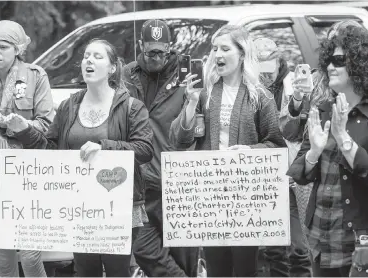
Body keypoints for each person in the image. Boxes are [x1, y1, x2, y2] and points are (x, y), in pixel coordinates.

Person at [5, 39, 154, 277]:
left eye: (97, 56)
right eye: (86, 56)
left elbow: (145, 149)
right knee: (85, 270)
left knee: (117, 270)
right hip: (79, 207)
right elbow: (50, 149)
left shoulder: (131, 107)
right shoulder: (68, 106)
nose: (89, 61)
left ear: (113, 67)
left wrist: (104, 146)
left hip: (117, 205)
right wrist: (24, 130)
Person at [169, 25, 286, 277]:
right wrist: (190, 103)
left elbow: (276, 146)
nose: (217, 55)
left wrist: (249, 150)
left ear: (242, 54)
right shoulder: (205, 94)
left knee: (245, 269)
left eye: (225, 49)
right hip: (212, 199)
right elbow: (179, 140)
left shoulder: (260, 97)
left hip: (245, 199)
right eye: (214, 49)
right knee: (216, 269)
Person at [287, 25, 368, 277]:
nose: (331, 67)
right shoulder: (323, 110)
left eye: (339, 60)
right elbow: (300, 173)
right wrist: (314, 153)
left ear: (359, 64)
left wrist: (343, 137)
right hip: (322, 237)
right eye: (328, 61)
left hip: (359, 241)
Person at [123, 19, 199, 277]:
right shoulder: (126, 75)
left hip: (177, 180)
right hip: (139, 179)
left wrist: (192, 101)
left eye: (161, 51)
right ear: (140, 45)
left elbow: (195, 131)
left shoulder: (186, 76)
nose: (156, 57)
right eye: (150, 51)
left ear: (170, 47)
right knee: (143, 249)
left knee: (183, 254)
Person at [0, 20, 54, 277]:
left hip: (27, 179)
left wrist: (17, 126)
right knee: (3, 260)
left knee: (30, 257)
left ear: (18, 48)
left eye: (3, 47)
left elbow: (47, 126)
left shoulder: (35, 76)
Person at [254, 37, 312, 277]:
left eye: (270, 65)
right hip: (262, 179)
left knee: (301, 249)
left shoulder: (297, 85)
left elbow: (294, 130)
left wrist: (298, 97)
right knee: (272, 249)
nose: (266, 73)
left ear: (279, 62)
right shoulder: (245, 89)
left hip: (293, 178)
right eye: (260, 65)